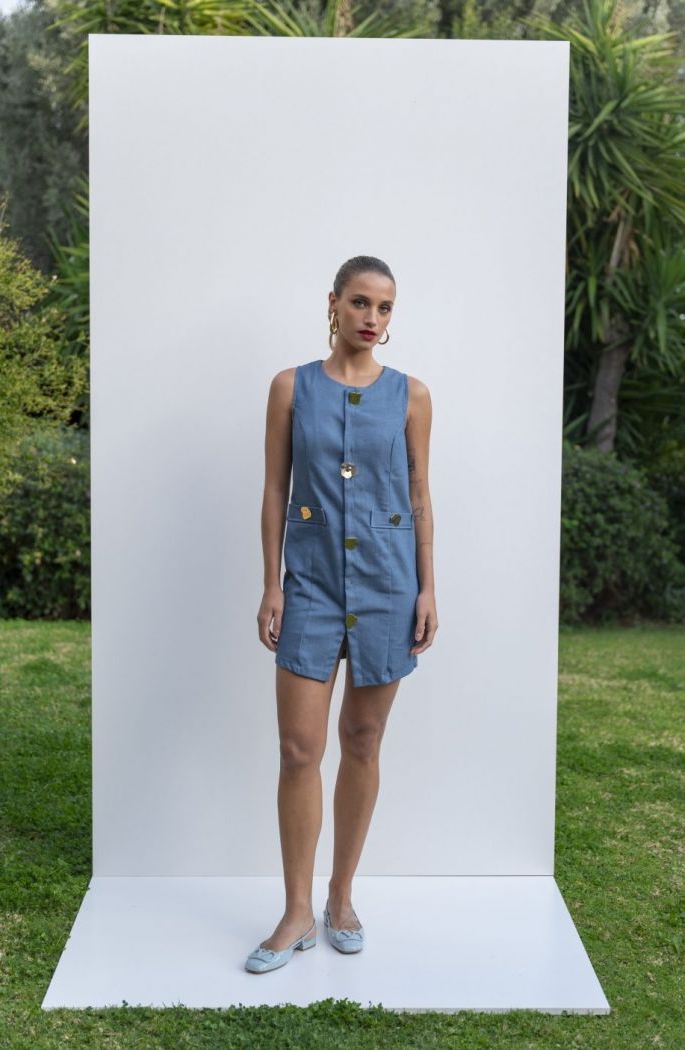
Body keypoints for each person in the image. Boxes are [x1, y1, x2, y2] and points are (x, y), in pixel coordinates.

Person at [247, 255, 437, 973]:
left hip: (390, 583)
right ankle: (295, 910)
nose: (372, 319)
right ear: (333, 303)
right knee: (299, 749)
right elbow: (275, 490)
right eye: (360, 302)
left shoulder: (412, 395)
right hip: (311, 585)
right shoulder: (290, 387)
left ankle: (341, 896)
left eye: (385, 308)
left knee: (362, 740)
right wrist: (272, 583)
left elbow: (419, 494)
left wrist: (428, 588)